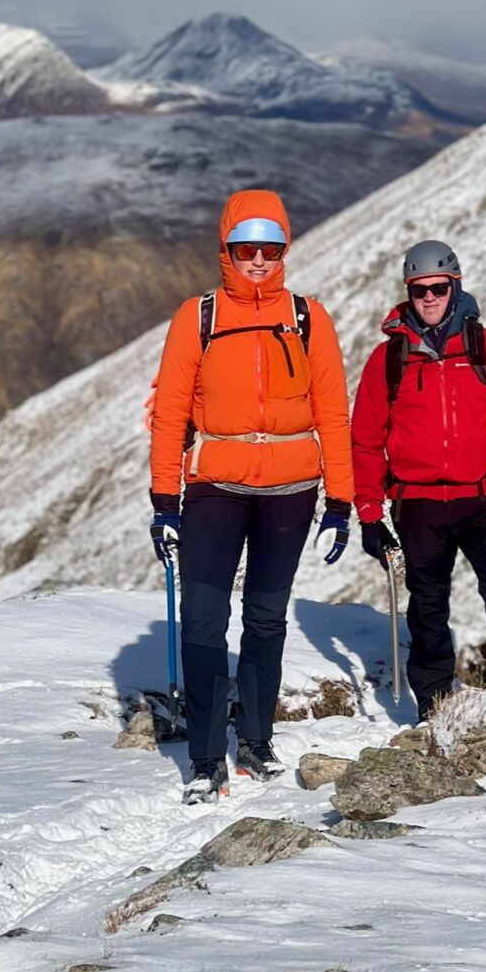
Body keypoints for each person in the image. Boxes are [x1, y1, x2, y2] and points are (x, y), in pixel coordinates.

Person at [149, 189, 354, 802]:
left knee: (266, 618)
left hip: (292, 490)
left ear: (283, 249)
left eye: (270, 248)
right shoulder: (199, 316)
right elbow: (169, 415)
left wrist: (340, 502)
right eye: (246, 248)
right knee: (204, 622)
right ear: (227, 250)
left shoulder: (310, 317)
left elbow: (333, 415)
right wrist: (165, 502)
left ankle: (258, 737)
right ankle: (208, 753)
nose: (258, 260)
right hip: (213, 487)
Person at [351, 239, 486, 721]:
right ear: (408, 293)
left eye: (439, 288)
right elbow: (363, 440)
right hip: (416, 503)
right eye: (420, 291)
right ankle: (435, 705)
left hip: (482, 498)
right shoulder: (389, 359)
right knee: (428, 607)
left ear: (455, 286)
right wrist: (369, 514)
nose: (430, 298)